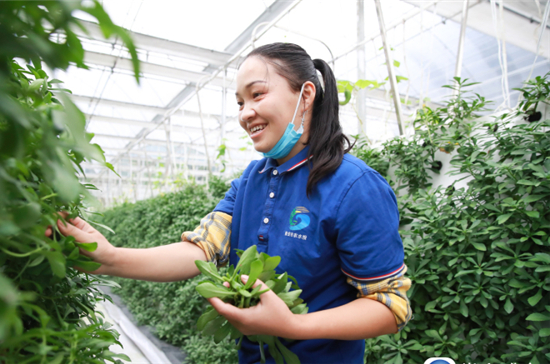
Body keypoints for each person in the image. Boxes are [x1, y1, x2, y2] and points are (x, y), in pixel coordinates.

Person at [48, 43, 413, 364]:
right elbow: (203, 248)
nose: (245, 113)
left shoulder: (355, 187)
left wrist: (294, 325)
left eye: (257, 95)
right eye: (240, 102)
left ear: (305, 95)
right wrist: (109, 257)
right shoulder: (251, 181)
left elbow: (390, 306)